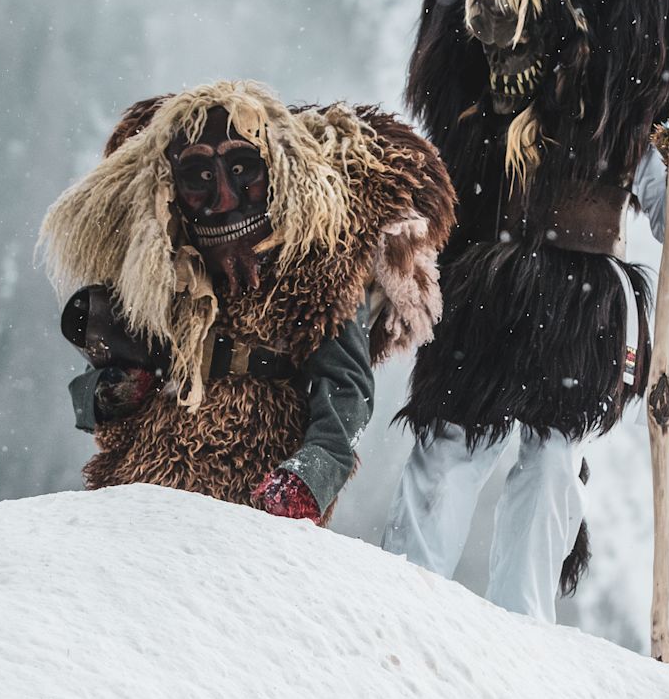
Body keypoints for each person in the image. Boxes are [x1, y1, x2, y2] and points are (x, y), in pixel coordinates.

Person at [383, 0, 669, 615]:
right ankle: (401, 602)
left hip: (578, 305)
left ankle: (523, 630)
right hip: (484, 289)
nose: (503, 67)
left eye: (519, 45)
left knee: (552, 459)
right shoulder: (477, 101)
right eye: (493, 47)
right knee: (450, 446)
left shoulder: (621, 101)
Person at [39, 82, 453, 521]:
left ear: (277, 174)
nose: (225, 199)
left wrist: (308, 480)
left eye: (243, 169)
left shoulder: (314, 269)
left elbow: (347, 390)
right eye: (198, 177)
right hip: (146, 480)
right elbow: (93, 392)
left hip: (258, 488)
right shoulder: (153, 275)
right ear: (169, 189)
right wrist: (116, 390)